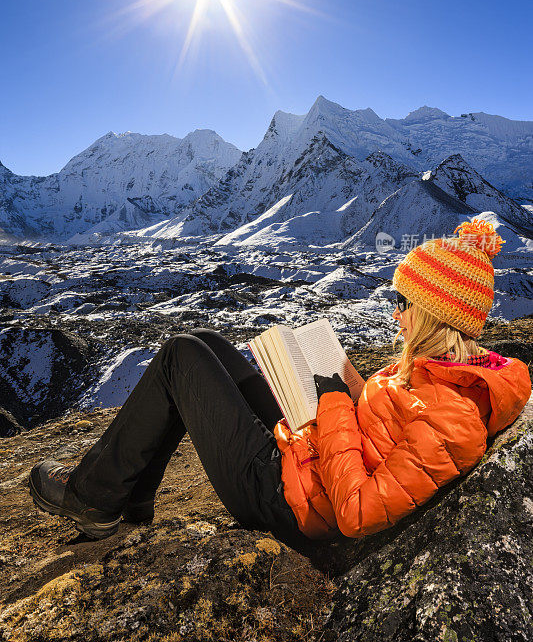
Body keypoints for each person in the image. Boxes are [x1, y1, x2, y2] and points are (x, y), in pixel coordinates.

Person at [29, 220, 531, 544]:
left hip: (286, 498)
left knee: (181, 357)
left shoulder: (453, 419)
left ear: (433, 318)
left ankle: (94, 498)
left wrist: (333, 403)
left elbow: (357, 511)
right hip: (310, 455)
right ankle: (132, 494)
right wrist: (355, 387)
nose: (394, 315)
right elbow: (391, 430)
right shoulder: (440, 369)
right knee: (206, 340)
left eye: (403, 304)